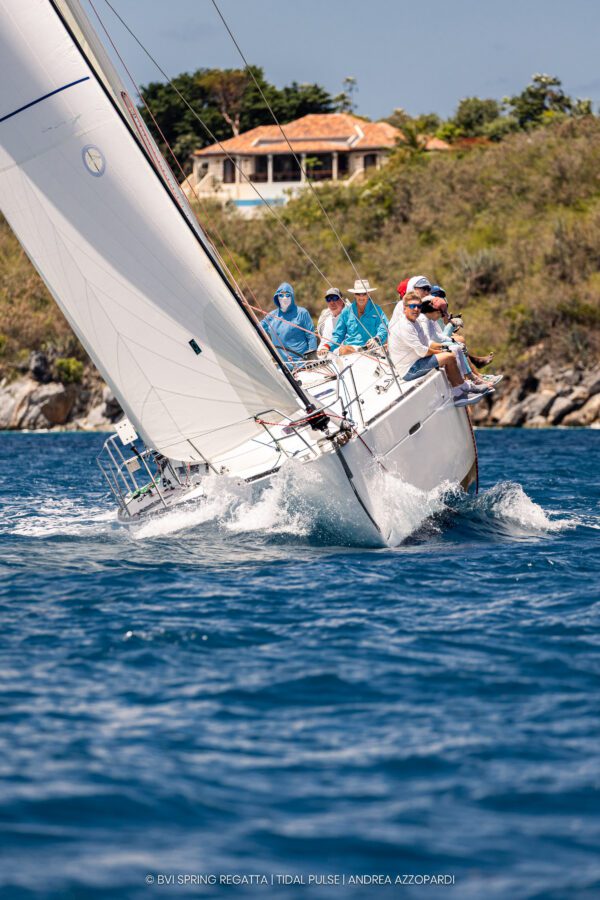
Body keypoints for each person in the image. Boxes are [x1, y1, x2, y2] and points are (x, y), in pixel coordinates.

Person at [388, 291, 494, 407]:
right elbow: (422, 351)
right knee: (448, 356)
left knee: (451, 352)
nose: (416, 309)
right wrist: (443, 351)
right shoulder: (406, 326)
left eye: (419, 306)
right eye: (412, 306)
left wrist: (445, 346)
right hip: (410, 369)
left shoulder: (415, 322)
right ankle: (461, 392)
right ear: (405, 308)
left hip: (417, 360)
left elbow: (428, 343)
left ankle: (464, 388)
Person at [319, 279, 388, 356]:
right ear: (354, 295)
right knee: (344, 349)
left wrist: (377, 339)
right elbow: (338, 335)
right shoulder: (346, 311)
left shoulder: (376, 310)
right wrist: (327, 346)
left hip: (371, 349)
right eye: (358, 294)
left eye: (364, 294)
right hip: (350, 351)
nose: (361, 297)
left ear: (369, 294)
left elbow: (384, 328)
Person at [260, 282, 317, 368]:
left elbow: (311, 336)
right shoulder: (271, 316)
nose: (284, 298)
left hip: (302, 365)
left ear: (292, 297)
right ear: (277, 297)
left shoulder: (302, 313)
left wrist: (312, 359)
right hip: (283, 367)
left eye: (288, 295)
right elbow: (256, 328)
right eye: (281, 295)